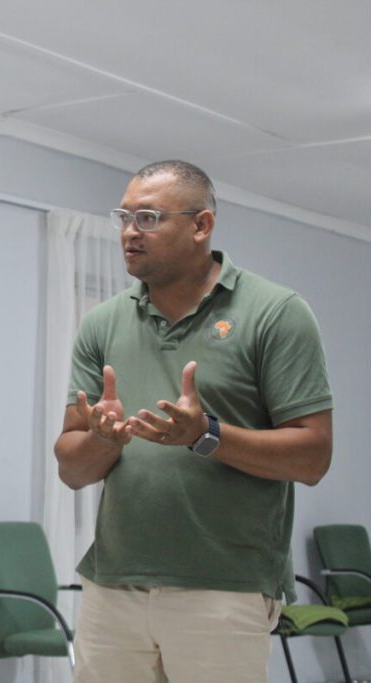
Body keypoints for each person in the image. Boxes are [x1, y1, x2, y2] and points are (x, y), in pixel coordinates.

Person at [54, 160, 332, 683]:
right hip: (114, 586)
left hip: (224, 588)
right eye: (124, 218)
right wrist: (101, 440)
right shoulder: (101, 323)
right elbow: (72, 470)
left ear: (201, 226)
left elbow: (313, 456)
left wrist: (206, 436)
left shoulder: (276, 313)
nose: (130, 233)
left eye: (150, 218)